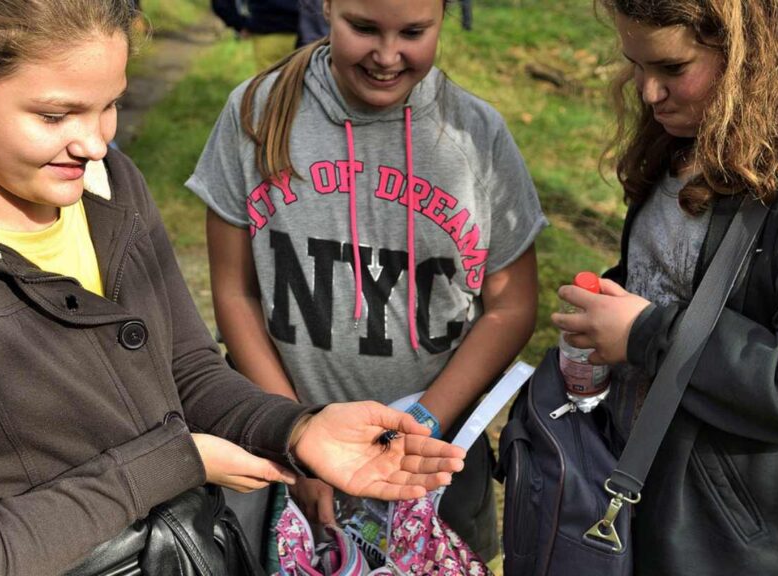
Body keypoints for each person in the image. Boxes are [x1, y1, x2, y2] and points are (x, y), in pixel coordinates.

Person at [0, 1, 468, 575]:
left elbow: (187, 368)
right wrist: (178, 462)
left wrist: (298, 430)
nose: (95, 142)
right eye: (55, 114)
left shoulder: (108, 184)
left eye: (110, 103)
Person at [187, 0, 547, 563]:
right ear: (326, 8)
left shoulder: (477, 135)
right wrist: (298, 436)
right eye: (363, 28)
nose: (385, 55)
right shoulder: (255, 113)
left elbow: (512, 304)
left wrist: (425, 422)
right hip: (282, 453)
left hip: (431, 462)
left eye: (413, 32)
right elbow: (235, 293)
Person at [552, 0, 778, 574]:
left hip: (744, 543)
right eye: (635, 65)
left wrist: (647, 335)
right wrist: (614, 305)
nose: (649, 93)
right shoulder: (695, 129)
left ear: (753, 54)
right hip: (638, 497)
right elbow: (689, 276)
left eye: (673, 70)